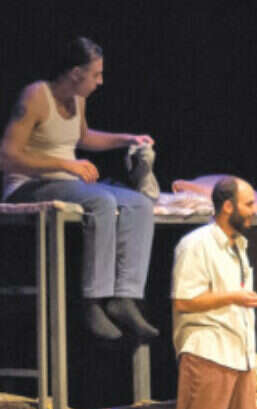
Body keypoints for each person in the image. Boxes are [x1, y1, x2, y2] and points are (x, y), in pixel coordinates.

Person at [0, 36, 158, 340]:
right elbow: (7, 157)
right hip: (27, 185)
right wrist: (65, 164)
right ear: (75, 73)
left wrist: (127, 139)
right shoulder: (36, 96)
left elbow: (83, 137)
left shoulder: (78, 99)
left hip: (64, 182)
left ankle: (125, 297)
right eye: (96, 74)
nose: (100, 81)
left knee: (139, 204)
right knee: (101, 200)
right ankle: (93, 301)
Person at [170, 176, 257, 409]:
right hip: (208, 349)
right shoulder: (196, 244)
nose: (254, 210)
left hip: (239, 352)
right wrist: (233, 297)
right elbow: (183, 300)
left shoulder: (239, 245)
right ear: (227, 207)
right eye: (248, 204)